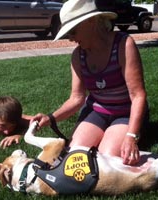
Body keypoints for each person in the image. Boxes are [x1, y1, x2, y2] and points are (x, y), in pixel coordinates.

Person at [31, 0, 149, 166]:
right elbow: (77, 98)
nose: (71, 38)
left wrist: (131, 136)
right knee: (74, 155)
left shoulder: (123, 44)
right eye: (68, 33)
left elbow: (138, 95)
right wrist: (50, 118)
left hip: (126, 112)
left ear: (91, 22)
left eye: (73, 31)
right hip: (97, 111)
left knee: (106, 158)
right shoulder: (77, 56)